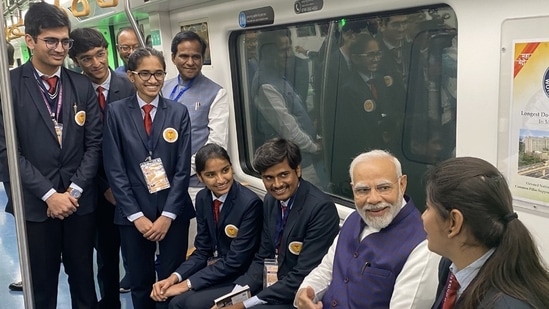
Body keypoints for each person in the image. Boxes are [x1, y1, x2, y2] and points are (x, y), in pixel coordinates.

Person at [0, 2, 103, 308]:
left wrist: (72, 191)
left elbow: (94, 144)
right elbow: (6, 151)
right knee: (41, 285)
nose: (60, 49)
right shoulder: (8, 88)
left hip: (78, 204)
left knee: (84, 279)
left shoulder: (81, 86)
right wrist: (49, 195)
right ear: (29, 40)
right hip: (35, 206)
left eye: (65, 41)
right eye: (51, 41)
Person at [187, 138, 339, 309]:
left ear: (298, 170)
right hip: (269, 283)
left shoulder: (320, 209)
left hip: (296, 294)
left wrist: (244, 304)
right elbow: (263, 257)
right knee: (190, 304)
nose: (277, 184)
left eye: (283, 175)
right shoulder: (270, 201)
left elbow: (301, 275)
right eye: (269, 178)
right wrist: (233, 297)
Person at [103, 47, 195, 309]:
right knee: (141, 280)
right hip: (133, 215)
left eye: (158, 74)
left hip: (172, 212)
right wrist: (136, 216)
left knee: (170, 279)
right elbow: (115, 168)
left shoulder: (178, 112)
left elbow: (181, 168)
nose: (153, 80)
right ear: (131, 76)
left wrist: (167, 215)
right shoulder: (116, 112)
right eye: (145, 74)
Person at [295, 149, 439, 308]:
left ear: (402, 184)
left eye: (383, 188)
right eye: (363, 190)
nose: (373, 199)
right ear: (353, 189)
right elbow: (327, 270)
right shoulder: (353, 219)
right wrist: (307, 292)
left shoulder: (423, 245)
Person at [423, 157, 549, 308]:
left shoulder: (506, 304)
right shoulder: (451, 266)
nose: (423, 216)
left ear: (454, 222)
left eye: (428, 207)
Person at [69, 27, 136, 308]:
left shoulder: (130, 86)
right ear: (76, 61)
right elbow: (77, 149)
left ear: (107, 50)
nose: (96, 64)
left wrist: (123, 187)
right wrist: (103, 187)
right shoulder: (72, 92)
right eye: (87, 59)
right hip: (95, 192)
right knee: (105, 257)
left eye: (100, 54)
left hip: (131, 188)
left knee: (136, 255)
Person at [150, 143, 263, 308]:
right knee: (162, 297)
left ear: (231, 168)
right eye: (211, 174)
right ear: (200, 177)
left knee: (183, 303)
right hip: (217, 269)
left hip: (239, 276)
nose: (220, 180)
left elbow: (235, 262)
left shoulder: (249, 204)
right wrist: (173, 278)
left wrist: (185, 285)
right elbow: (202, 250)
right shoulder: (203, 198)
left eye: (225, 170)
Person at [162, 30, 229, 249]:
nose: (190, 62)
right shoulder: (163, 87)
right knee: (164, 243)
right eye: (184, 56)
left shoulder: (216, 93)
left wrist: (179, 169)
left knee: (192, 246)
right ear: (173, 58)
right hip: (160, 181)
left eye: (196, 57)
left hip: (193, 186)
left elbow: (216, 145)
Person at [329, 33, 406, 197]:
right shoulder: (348, 89)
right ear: (356, 59)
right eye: (370, 55)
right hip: (365, 153)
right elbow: (354, 131)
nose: (376, 59)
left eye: (378, 54)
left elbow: (390, 109)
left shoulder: (380, 81)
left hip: (387, 149)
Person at [252, 30, 322, 187]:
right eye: (283, 50)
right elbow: (289, 131)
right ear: (268, 53)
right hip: (296, 160)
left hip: (306, 156)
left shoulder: (278, 76)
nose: (289, 54)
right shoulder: (266, 85)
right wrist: (314, 147)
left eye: (289, 48)